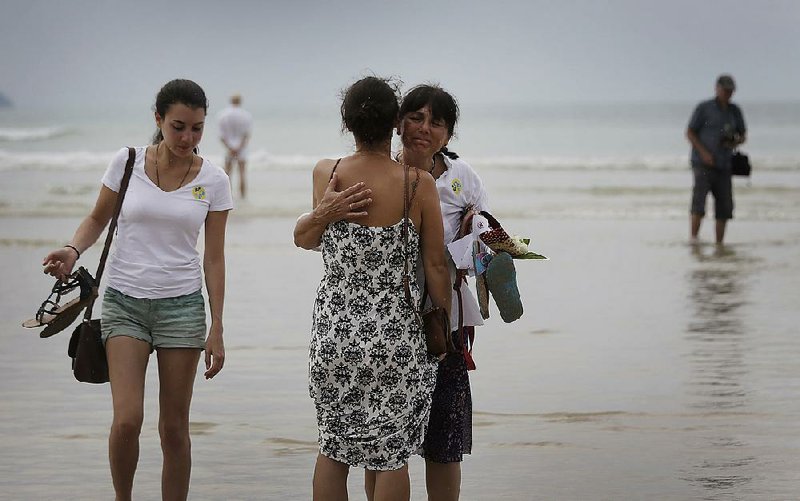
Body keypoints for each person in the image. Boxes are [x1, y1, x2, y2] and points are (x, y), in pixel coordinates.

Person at [40, 79, 233, 500]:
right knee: (127, 420)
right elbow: (96, 219)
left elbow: (214, 258)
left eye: (197, 128)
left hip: (182, 309)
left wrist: (217, 326)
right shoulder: (126, 163)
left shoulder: (214, 181)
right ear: (159, 119)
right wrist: (73, 250)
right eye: (178, 126)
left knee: (173, 429)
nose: (187, 138)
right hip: (124, 303)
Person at [293, 76, 452, 501]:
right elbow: (435, 265)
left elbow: (305, 240)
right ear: (396, 124)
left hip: (333, 332)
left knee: (333, 449)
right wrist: (445, 322)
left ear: (347, 124)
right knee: (391, 453)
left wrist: (325, 212)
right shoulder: (418, 184)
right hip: (394, 337)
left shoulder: (327, 172)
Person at [396, 84, 489, 501]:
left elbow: (485, 252)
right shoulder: (381, 171)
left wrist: (474, 235)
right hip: (388, 324)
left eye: (436, 122)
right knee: (385, 447)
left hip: (445, 327)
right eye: (416, 117)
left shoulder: (462, 177)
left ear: (448, 135)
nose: (424, 128)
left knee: (445, 444)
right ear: (398, 123)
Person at [686, 74, 747, 244]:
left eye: (730, 91)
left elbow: (743, 134)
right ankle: (694, 238)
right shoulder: (704, 108)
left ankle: (719, 242)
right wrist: (704, 153)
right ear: (717, 88)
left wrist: (734, 141)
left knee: (725, 206)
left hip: (724, 163)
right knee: (699, 202)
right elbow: (690, 132)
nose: (728, 94)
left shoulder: (735, 111)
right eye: (725, 90)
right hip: (702, 163)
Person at [218, 93, 253, 198]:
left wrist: (230, 147)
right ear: (240, 101)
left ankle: (226, 198)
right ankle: (243, 198)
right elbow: (246, 135)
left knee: (227, 174)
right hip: (241, 147)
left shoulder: (223, 115)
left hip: (229, 146)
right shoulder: (246, 115)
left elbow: (221, 135)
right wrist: (239, 147)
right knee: (242, 174)